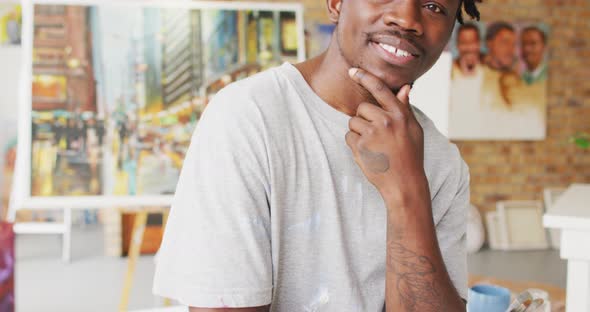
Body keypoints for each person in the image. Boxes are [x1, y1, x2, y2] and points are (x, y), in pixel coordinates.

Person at [154, 1, 481, 311]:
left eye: (434, 7)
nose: (407, 19)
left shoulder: (443, 162)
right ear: (336, 3)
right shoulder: (247, 117)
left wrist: (407, 193)